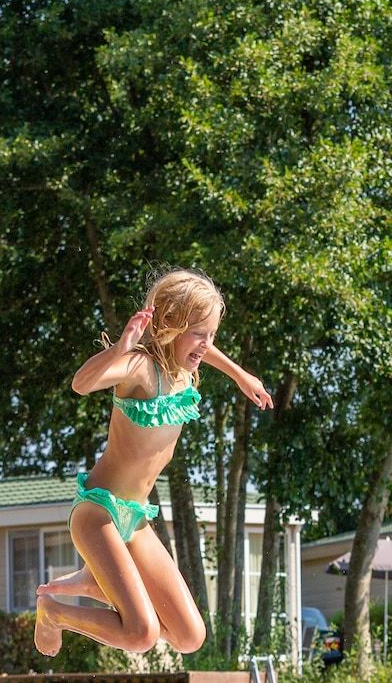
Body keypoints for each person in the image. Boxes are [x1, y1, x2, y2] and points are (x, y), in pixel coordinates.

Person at [34, 269, 272, 656]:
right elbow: (82, 383)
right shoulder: (141, 369)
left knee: (190, 636)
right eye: (199, 334)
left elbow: (203, 348)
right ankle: (53, 613)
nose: (206, 346)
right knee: (141, 635)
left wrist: (241, 375)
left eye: (211, 335)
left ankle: (97, 580)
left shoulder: (182, 373)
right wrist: (122, 346)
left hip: (135, 519)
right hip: (99, 514)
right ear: (170, 328)